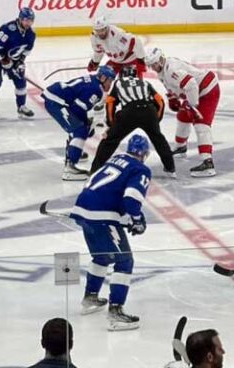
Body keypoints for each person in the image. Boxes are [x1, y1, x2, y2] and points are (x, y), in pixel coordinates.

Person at [70, 134, 151, 331]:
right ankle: (116, 311)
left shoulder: (114, 160)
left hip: (82, 210)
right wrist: (137, 219)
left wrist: (126, 218)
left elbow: (106, 191)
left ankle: (90, 298)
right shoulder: (140, 169)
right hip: (102, 215)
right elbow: (131, 200)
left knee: (102, 257)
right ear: (146, 154)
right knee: (124, 261)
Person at [144, 47, 220, 177]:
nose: (153, 67)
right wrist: (173, 98)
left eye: (155, 63)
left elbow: (191, 85)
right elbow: (173, 86)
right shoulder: (163, 70)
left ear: (161, 59)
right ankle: (180, 147)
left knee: (201, 125)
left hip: (207, 90)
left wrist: (192, 105)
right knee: (183, 117)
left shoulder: (172, 69)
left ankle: (208, 163)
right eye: (151, 65)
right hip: (195, 91)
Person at [91, 65, 175, 177]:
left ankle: (95, 170)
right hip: (148, 111)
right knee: (158, 139)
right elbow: (160, 101)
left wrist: (111, 125)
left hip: (128, 112)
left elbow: (110, 103)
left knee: (110, 141)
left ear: (121, 75)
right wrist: (156, 120)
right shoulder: (144, 82)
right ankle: (170, 168)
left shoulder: (118, 83)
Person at [42, 66, 116, 180]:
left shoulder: (94, 81)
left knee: (80, 127)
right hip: (56, 102)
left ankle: (74, 150)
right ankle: (70, 167)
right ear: (102, 78)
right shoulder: (96, 89)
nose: (110, 85)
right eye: (109, 81)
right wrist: (86, 124)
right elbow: (77, 110)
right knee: (79, 129)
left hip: (57, 98)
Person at [0, 7, 37, 127]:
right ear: (20, 19)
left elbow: (26, 50)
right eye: (26, 20)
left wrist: (20, 62)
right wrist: (4, 59)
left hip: (11, 59)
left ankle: (21, 107)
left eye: (31, 20)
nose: (28, 23)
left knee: (21, 81)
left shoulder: (31, 34)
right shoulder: (8, 29)